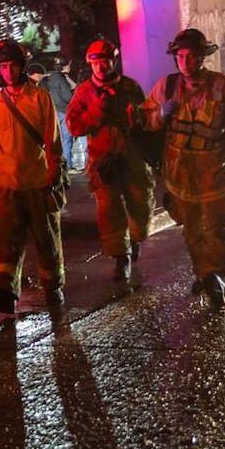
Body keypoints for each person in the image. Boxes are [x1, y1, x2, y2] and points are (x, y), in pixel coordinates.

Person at [141, 28, 225, 308]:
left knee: (218, 230)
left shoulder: (220, 87)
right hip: (180, 180)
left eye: (192, 56)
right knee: (192, 232)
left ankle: (219, 278)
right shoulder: (166, 87)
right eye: (181, 56)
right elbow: (145, 121)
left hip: (216, 177)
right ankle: (205, 275)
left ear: (202, 58)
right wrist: (159, 115)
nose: (186, 62)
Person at [0, 40, 67, 318]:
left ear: (22, 67)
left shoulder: (40, 99)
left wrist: (54, 174)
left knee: (47, 239)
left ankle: (53, 286)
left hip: (38, 183)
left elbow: (53, 142)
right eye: (3, 66)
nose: (8, 71)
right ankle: (4, 293)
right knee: (5, 243)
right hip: (7, 186)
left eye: (13, 65)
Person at [65, 39, 153, 280]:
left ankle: (135, 240)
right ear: (90, 64)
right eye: (96, 62)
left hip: (132, 158)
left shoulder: (130, 87)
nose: (101, 67)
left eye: (105, 61)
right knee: (109, 210)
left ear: (113, 61)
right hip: (103, 160)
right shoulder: (84, 92)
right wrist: (96, 112)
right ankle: (120, 257)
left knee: (140, 205)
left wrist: (134, 115)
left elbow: (146, 120)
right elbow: (73, 126)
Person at [40, 54, 78, 171]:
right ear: (64, 66)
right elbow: (68, 97)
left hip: (53, 112)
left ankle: (57, 166)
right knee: (67, 140)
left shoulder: (48, 78)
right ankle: (68, 166)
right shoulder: (61, 79)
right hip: (64, 112)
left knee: (56, 141)